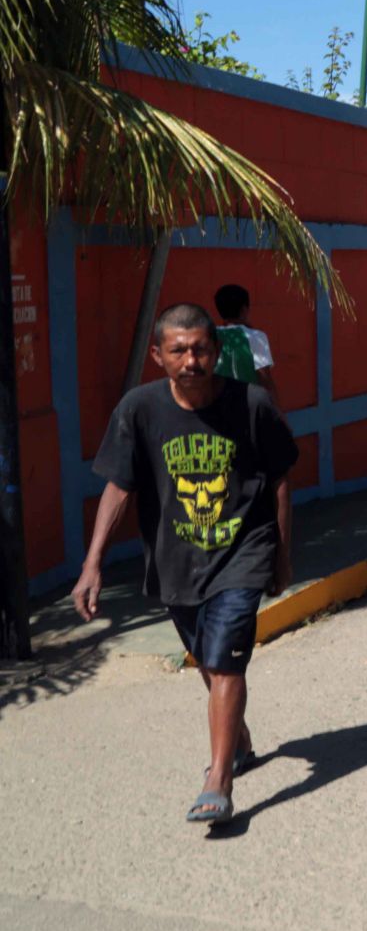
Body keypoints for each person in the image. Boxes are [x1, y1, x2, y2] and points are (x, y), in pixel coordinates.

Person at [71, 302, 298, 825]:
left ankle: (219, 779)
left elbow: (282, 478)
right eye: (178, 350)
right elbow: (118, 486)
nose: (191, 360)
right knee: (206, 656)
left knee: (223, 660)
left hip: (244, 549)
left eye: (200, 349)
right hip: (177, 557)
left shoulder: (252, 405)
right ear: (158, 355)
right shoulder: (139, 409)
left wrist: (283, 556)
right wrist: (93, 563)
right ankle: (237, 739)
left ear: (216, 351)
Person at [213, 283, 279, 405]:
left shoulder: (211, 335)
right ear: (244, 309)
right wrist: (279, 413)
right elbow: (265, 379)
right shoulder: (256, 337)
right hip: (246, 407)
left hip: (217, 407)